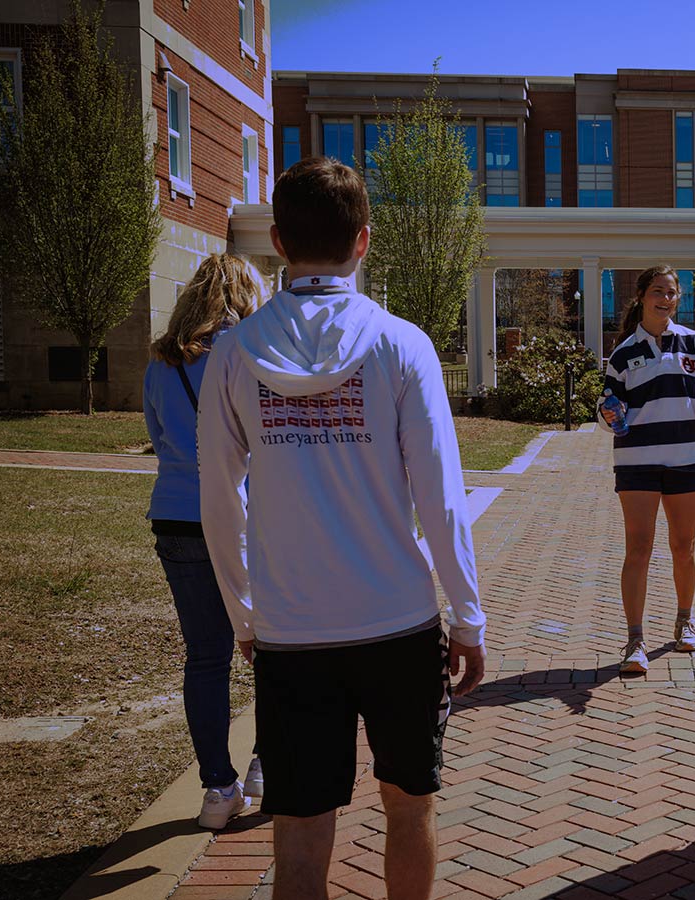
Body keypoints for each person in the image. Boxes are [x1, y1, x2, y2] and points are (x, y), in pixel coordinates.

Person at [198, 157, 486, 900]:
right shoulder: (402, 346)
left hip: (293, 630)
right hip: (397, 622)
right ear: (364, 240)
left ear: (277, 242)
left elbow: (220, 502)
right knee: (410, 805)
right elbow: (441, 496)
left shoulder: (232, 355)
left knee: (298, 825)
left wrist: (244, 614)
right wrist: (469, 617)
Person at [143, 253, 266, 830]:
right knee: (272, 644)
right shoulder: (249, 353)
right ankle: (268, 761)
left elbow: (157, 435)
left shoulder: (162, 361)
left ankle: (218, 787)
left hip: (175, 516)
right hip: (243, 515)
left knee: (206, 656)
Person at [598, 265, 695, 675]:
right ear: (642, 296)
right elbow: (609, 410)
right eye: (658, 291)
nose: (666, 298)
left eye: (672, 292)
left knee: (683, 547)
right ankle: (635, 641)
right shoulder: (623, 352)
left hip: (686, 458)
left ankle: (684, 621)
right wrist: (611, 413)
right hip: (636, 461)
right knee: (638, 548)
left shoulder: (694, 344)